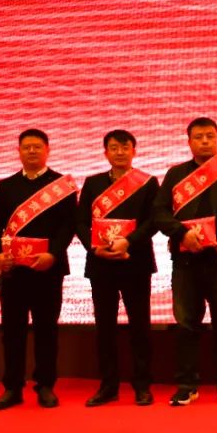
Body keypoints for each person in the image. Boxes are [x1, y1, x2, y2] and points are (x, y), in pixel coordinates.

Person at [153, 117, 217, 406]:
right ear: (189, 141)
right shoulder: (176, 174)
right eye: (198, 137)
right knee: (186, 324)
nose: (205, 141)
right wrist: (181, 233)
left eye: (210, 136)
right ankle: (187, 384)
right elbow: (159, 212)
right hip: (186, 263)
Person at [0, 129, 78, 410]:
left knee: (46, 330)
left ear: (48, 150)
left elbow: (68, 226)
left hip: (47, 269)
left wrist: (53, 254)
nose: (32, 151)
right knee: (12, 331)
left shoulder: (61, 186)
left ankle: (45, 385)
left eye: (37, 146)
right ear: (19, 151)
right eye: (27, 147)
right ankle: (12, 387)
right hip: (13, 270)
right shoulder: (6, 186)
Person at [75, 129, 159, 407]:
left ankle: (142, 385)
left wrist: (129, 242)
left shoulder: (148, 183)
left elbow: (154, 221)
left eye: (125, 147)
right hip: (101, 264)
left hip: (136, 262)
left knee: (140, 326)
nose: (120, 152)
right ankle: (108, 386)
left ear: (134, 151)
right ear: (106, 152)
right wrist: (93, 247)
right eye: (114, 147)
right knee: (105, 327)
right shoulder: (93, 183)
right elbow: (80, 221)